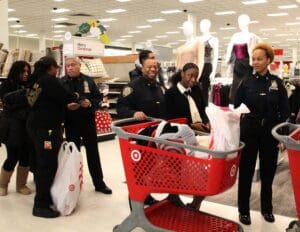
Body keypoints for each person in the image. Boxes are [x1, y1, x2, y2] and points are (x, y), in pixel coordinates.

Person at [234, 43, 290, 225]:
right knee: (246, 171)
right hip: (249, 131)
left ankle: (267, 209)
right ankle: (243, 211)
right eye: (253, 59)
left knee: (268, 172)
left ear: (268, 60)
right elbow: (235, 106)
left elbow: (285, 111)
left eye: (259, 59)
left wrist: (282, 136)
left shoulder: (277, 83)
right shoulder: (246, 81)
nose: (255, 62)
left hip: (270, 132)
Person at [26, 56, 79, 218]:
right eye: (57, 67)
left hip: (37, 127)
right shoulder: (49, 80)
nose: (58, 70)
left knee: (43, 163)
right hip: (46, 130)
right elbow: (66, 96)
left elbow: (33, 102)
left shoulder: (36, 81)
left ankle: (46, 196)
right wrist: (76, 95)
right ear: (51, 68)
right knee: (46, 165)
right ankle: (40, 205)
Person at [117, 58, 166, 205]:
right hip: (139, 135)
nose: (153, 69)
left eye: (155, 67)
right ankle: (136, 199)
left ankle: (146, 194)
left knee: (150, 167)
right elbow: (121, 108)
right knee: (139, 169)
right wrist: (133, 113)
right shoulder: (132, 87)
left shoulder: (159, 86)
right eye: (149, 67)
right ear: (142, 68)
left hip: (156, 134)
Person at [61, 57, 112, 195]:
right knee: (73, 154)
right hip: (71, 123)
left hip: (88, 122)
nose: (70, 67)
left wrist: (89, 103)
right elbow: (57, 102)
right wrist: (66, 107)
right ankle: (73, 183)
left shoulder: (89, 80)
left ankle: (99, 183)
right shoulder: (61, 82)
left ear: (79, 66)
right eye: (68, 66)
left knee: (93, 153)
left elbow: (98, 98)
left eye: (73, 65)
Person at [165, 62, 210, 210]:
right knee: (180, 171)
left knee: (203, 171)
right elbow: (170, 120)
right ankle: (174, 195)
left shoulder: (197, 89)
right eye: (190, 75)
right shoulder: (171, 93)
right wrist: (191, 125)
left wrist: (206, 121)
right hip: (181, 138)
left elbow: (203, 109)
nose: (193, 79)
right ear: (183, 74)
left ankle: (196, 202)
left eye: (196, 76)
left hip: (200, 134)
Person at [0, 61, 32, 196]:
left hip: (27, 126)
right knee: (12, 156)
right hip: (12, 126)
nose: (26, 74)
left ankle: (21, 185)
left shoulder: (31, 85)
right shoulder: (6, 85)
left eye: (27, 72)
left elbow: (31, 103)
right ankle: (2, 185)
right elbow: (8, 102)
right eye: (23, 71)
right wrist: (23, 98)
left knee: (26, 157)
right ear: (16, 71)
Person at [225, 14, 261, 103]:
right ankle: (235, 104)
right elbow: (231, 51)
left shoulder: (253, 36)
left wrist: (255, 67)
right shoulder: (235, 36)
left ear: (248, 22)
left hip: (247, 64)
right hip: (237, 64)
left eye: (242, 21)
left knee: (247, 85)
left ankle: (247, 104)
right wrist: (228, 64)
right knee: (236, 85)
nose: (240, 23)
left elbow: (255, 52)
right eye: (239, 21)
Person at [198, 19, 219, 106]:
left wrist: (214, 71)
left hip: (207, 65)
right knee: (196, 87)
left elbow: (215, 56)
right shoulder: (198, 39)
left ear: (208, 26)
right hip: (198, 65)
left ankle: (204, 106)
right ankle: (197, 105)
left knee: (205, 88)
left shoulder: (213, 39)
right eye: (200, 25)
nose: (201, 27)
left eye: (203, 25)